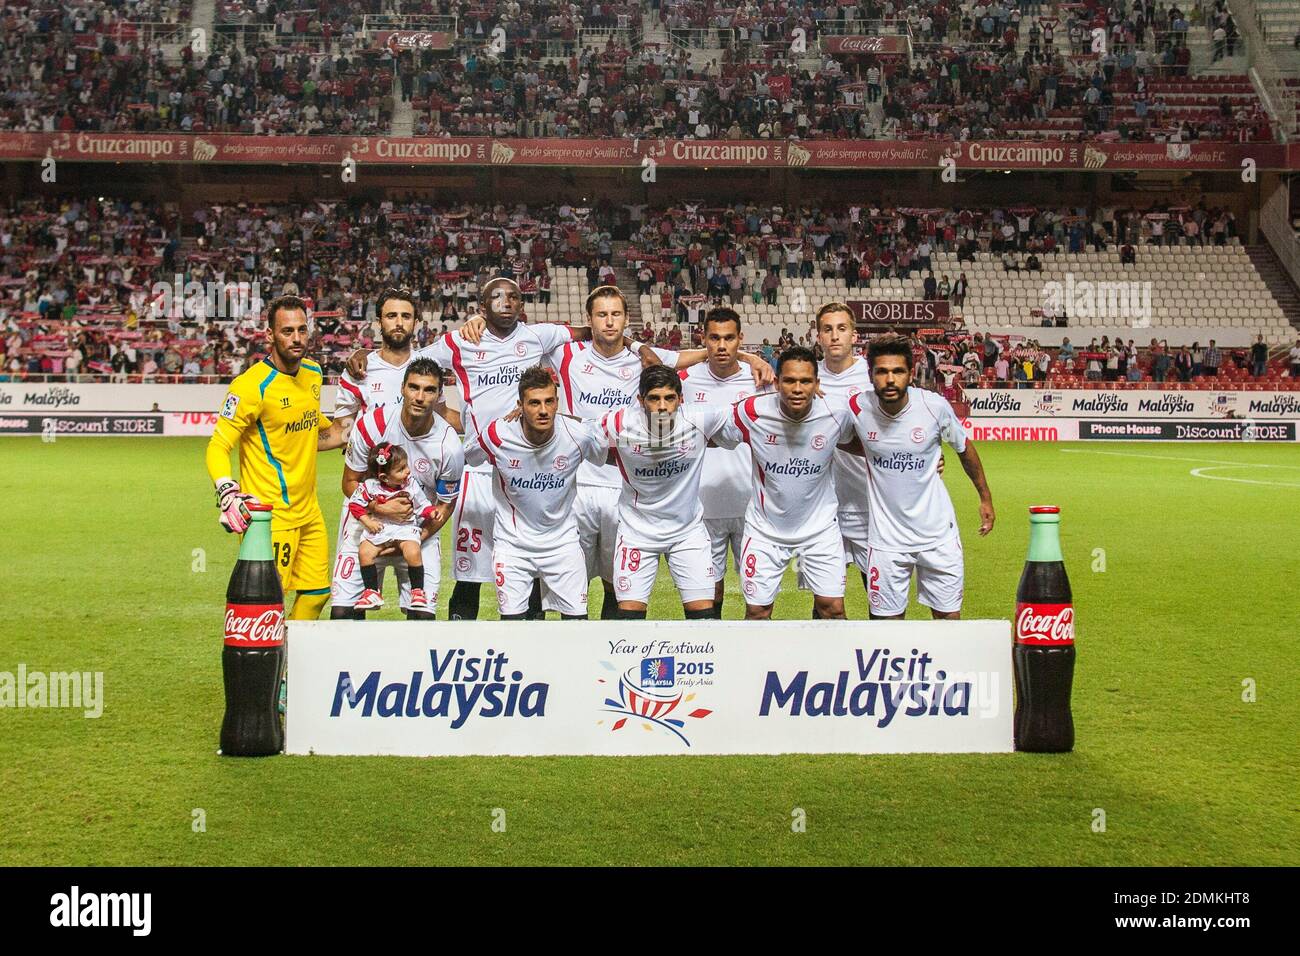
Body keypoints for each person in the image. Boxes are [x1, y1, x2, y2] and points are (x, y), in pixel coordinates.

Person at [345, 278, 653, 620]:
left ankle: (531, 644)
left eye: (514, 297)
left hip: (528, 466)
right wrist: (364, 355)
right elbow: (408, 360)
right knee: (469, 575)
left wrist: (638, 346)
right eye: (497, 297)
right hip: (477, 469)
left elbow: (595, 331)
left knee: (531, 566)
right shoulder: (461, 340)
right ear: (481, 306)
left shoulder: (539, 335)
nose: (506, 302)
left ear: (522, 305)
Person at [548, 286, 771, 619]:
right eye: (601, 315)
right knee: (567, 584)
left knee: (614, 586)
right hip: (585, 488)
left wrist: (749, 356)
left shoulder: (651, 362)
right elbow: (520, 350)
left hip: (639, 498)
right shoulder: (569, 356)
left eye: (616, 314)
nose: (610, 321)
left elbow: (704, 358)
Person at [204, 295, 347, 621]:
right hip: (269, 519)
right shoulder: (250, 386)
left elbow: (316, 431)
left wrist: (355, 433)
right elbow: (218, 444)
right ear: (270, 335)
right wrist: (226, 490)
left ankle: (287, 662)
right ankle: (269, 668)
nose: (296, 338)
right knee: (269, 602)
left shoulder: (312, 372)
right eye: (287, 331)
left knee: (317, 592)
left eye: (301, 330)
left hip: (308, 512)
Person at [844, 334, 994, 620]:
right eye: (882, 371)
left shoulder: (934, 408)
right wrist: (877, 454)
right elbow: (833, 436)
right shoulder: (857, 408)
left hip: (938, 536)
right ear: (870, 375)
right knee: (886, 629)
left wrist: (985, 498)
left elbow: (963, 448)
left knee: (948, 624)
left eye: (898, 371)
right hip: (887, 541)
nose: (890, 379)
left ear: (910, 374)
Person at [713, 346, 857, 621]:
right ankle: (759, 665)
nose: (798, 388)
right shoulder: (752, 411)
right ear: (777, 383)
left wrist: (926, 459)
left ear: (817, 384)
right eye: (790, 380)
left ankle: (829, 664)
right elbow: (706, 432)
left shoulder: (836, 414)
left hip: (819, 529)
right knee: (757, 611)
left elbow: (868, 444)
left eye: (805, 381)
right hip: (765, 530)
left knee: (833, 609)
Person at [464, 366, 610, 620]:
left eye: (548, 402)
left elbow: (606, 451)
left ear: (557, 402)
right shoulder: (497, 435)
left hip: (563, 544)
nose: (543, 410)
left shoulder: (578, 435)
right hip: (513, 547)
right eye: (533, 403)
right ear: (520, 405)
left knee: (578, 624)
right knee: (513, 626)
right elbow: (468, 457)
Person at [334, 359, 463, 620]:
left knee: (422, 618)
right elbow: (349, 482)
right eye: (413, 387)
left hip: (417, 532)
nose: (419, 397)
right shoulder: (372, 424)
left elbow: (445, 505)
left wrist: (412, 537)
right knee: (342, 614)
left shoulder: (449, 445)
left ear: (439, 395)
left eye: (429, 390)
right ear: (402, 388)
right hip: (368, 527)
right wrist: (378, 508)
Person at [600, 365, 730, 619]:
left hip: (687, 532)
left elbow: (746, 411)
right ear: (640, 401)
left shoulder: (699, 419)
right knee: (629, 616)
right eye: (654, 398)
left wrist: (755, 361)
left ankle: (699, 659)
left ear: (681, 400)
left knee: (703, 614)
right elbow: (576, 430)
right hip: (637, 532)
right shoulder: (619, 425)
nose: (662, 406)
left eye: (669, 398)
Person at [681, 307, 771, 618]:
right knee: (710, 596)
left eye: (729, 338)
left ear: (740, 340)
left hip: (753, 508)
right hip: (703, 507)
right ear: (702, 338)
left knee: (757, 601)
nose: (722, 346)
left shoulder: (761, 380)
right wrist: (751, 356)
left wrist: (753, 360)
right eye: (714, 338)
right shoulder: (685, 380)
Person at [349, 443, 438, 611]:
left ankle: (418, 590)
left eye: (406, 465)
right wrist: (368, 522)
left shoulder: (410, 484)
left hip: (405, 527)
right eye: (401, 469)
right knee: (364, 552)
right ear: (384, 477)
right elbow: (355, 504)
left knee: (412, 551)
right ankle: (372, 592)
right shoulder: (369, 486)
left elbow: (421, 504)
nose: (408, 471)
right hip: (381, 527)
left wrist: (430, 512)